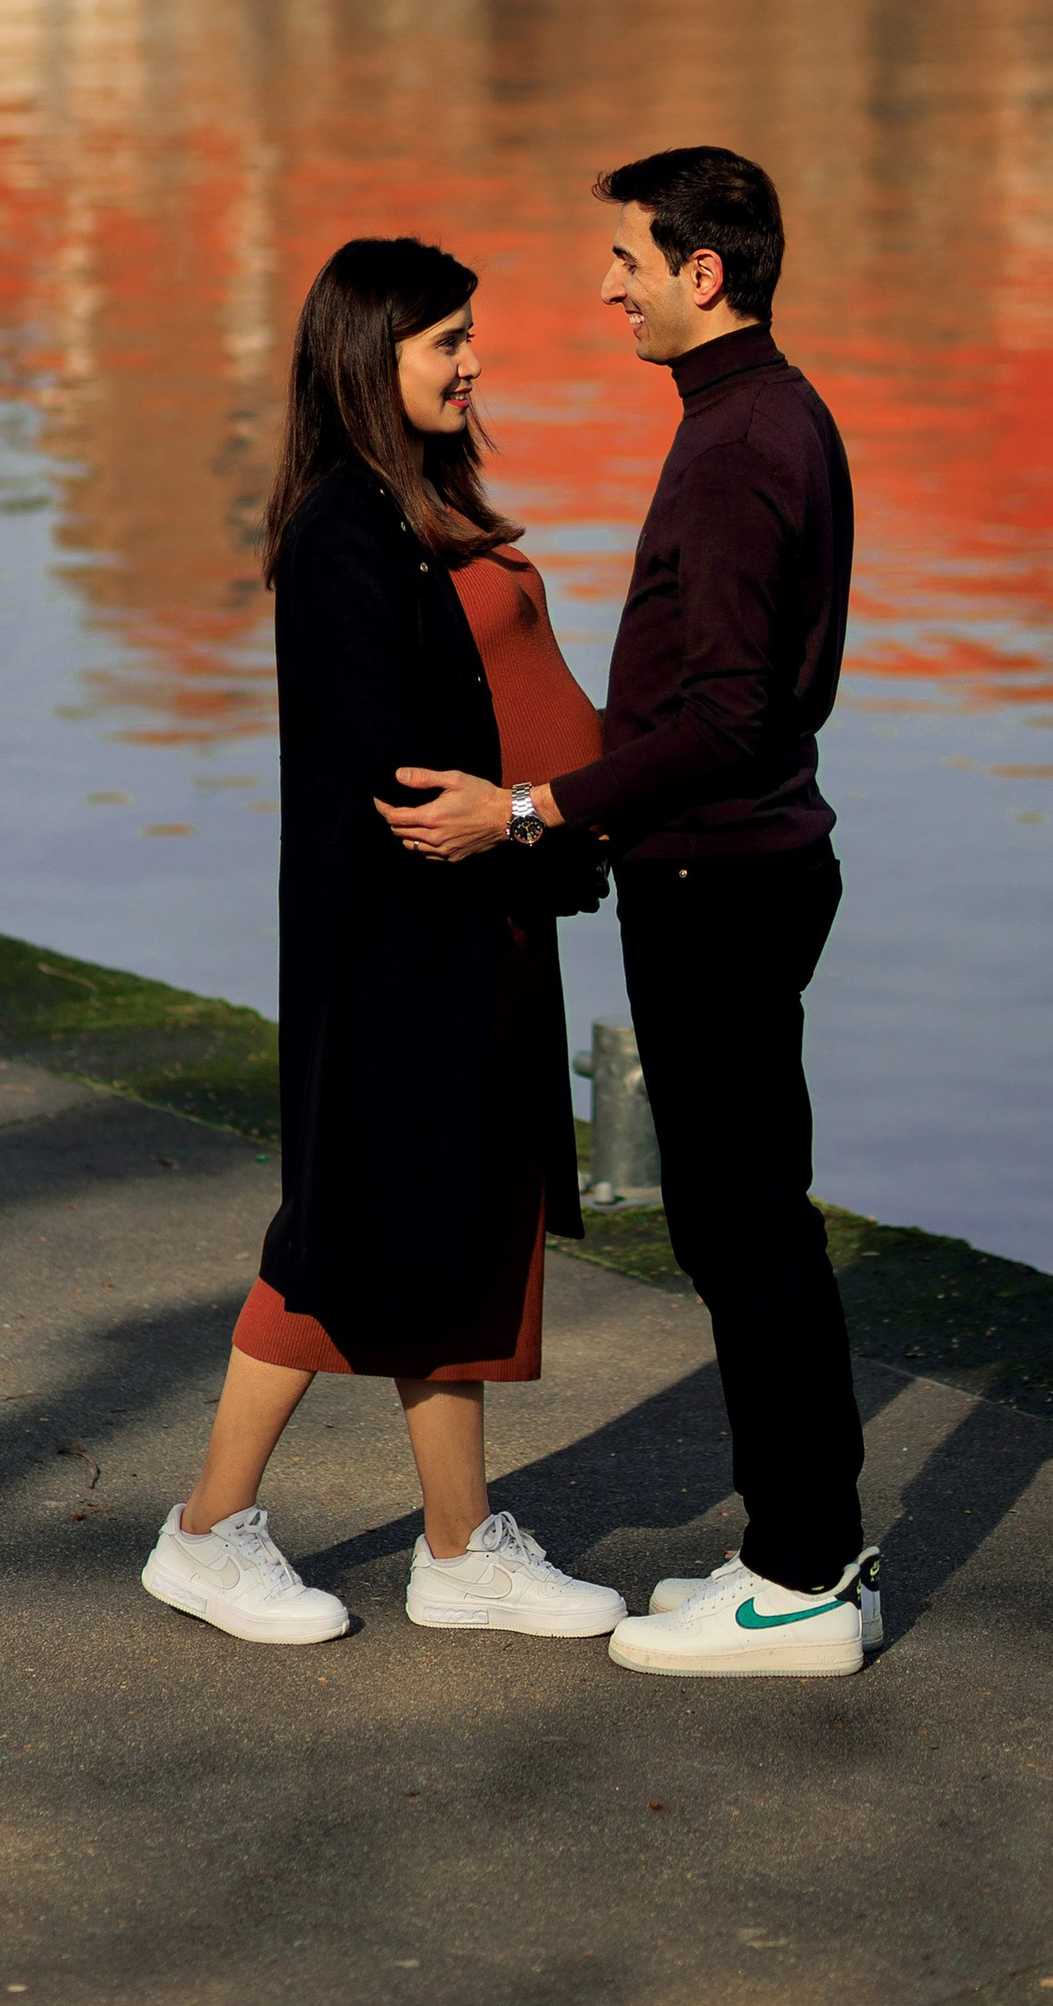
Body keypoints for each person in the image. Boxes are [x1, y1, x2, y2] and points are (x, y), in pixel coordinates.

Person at [380, 148, 879, 1680]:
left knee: (746, 1229)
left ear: (699, 273)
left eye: (624, 261)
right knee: (747, 1221)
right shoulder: (767, 415)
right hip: (737, 867)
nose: (606, 286)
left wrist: (529, 811)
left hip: (719, 878)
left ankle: (802, 1576)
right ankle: (794, 1550)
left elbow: (726, 716)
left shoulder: (735, 450)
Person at [142, 236, 627, 1650]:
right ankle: (207, 1527)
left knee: (464, 1230)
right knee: (348, 1238)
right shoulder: (346, 535)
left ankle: (464, 1545)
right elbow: (390, 779)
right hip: (406, 950)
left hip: (488, 927)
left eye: (473, 337)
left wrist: (550, 828)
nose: (475, 364)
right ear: (372, 359)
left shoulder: (419, 504)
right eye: (447, 344)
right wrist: (530, 818)